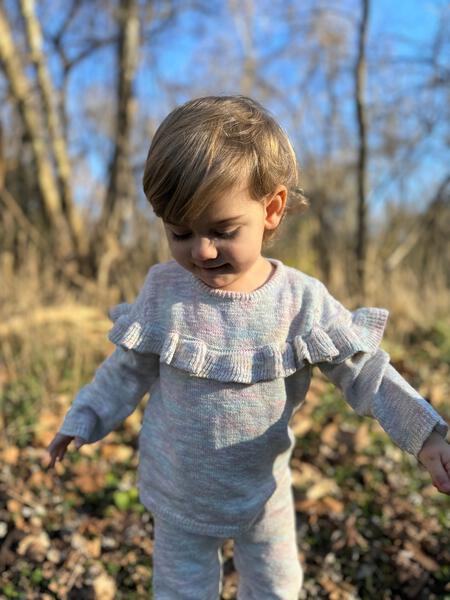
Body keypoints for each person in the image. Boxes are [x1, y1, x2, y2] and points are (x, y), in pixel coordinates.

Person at [46, 96, 450, 600]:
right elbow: (125, 371)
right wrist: (84, 417)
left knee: (276, 587)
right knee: (180, 590)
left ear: (272, 209)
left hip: (264, 493)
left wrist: (426, 434)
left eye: (222, 230)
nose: (202, 251)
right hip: (179, 494)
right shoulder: (164, 291)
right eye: (180, 232)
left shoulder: (300, 301)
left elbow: (365, 373)